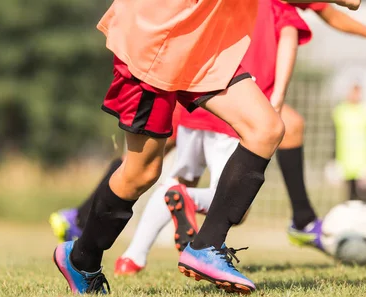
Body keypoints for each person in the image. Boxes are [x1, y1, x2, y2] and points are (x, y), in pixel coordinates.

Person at [52, 0, 362, 295]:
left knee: (266, 128)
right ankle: (82, 258)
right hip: (155, 41)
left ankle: (207, 247)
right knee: (142, 172)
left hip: (199, 44)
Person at [114, 0, 313, 275]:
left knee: (179, 180)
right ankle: (189, 201)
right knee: (234, 207)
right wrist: (276, 101)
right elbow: (288, 46)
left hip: (196, 103)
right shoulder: (281, 7)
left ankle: (132, 256)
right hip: (236, 111)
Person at [268, 2, 366, 250]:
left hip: (362, 167)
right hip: (231, 82)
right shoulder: (341, 112)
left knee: (292, 125)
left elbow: (329, 11)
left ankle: (304, 220)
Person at [332, 82, 366, 203]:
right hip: (346, 162)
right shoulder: (340, 111)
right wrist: (333, 159)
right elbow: (334, 136)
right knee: (349, 197)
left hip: (363, 162)